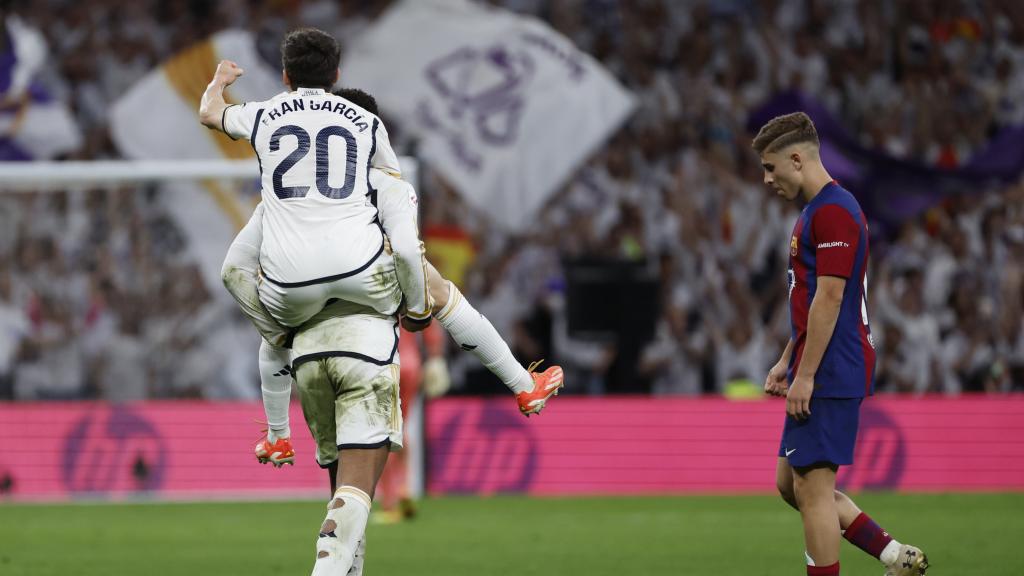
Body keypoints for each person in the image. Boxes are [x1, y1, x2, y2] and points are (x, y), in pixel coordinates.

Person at [753, 112, 928, 576]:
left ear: (796, 159)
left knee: (812, 489)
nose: (766, 179)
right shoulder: (817, 211)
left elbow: (832, 297)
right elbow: (811, 298)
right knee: (791, 484)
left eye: (771, 168)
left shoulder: (833, 210)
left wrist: (806, 374)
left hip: (832, 367)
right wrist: (787, 360)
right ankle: (894, 556)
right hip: (819, 361)